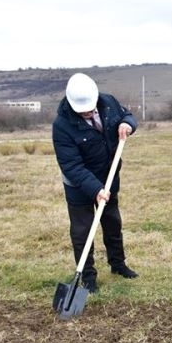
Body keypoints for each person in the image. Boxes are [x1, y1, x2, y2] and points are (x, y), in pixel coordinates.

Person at [52, 72, 139, 293]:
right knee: (82, 232)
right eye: (83, 111)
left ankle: (118, 264)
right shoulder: (62, 125)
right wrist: (95, 189)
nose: (88, 113)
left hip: (108, 177)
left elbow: (127, 115)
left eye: (90, 109)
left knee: (112, 223)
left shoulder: (108, 103)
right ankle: (88, 276)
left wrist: (127, 124)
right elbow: (72, 167)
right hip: (79, 185)